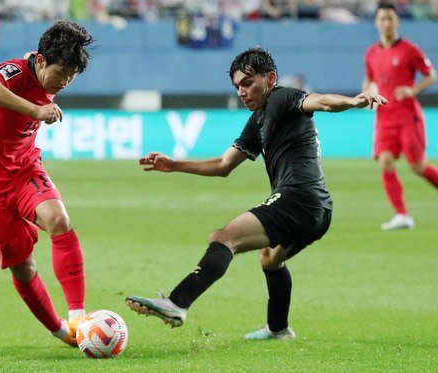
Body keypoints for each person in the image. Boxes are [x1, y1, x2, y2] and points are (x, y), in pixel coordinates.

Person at [126, 47, 387, 340]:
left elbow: (322, 102)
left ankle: (176, 302)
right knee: (270, 258)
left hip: (298, 198)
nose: (242, 91)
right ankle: (278, 329)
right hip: (319, 210)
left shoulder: (282, 97)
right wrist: (173, 165)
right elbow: (223, 165)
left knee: (224, 238)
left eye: (248, 82)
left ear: (270, 78)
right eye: (238, 86)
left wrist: (352, 101)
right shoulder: (258, 120)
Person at [0, 21, 94, 347]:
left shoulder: (47, 73)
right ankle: (61, 330)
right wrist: (35, 110)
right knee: (23, 266)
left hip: (23, 168)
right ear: (42, 61)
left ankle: (78, 315)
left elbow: (46, 77)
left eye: (72, 76)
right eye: (62, 72)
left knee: (59, 219)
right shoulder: (18, 70)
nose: (64, 82)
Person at [363, 1, 438, 231]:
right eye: (382, 18)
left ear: (397, 21)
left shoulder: (410, 50)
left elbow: (431, 75)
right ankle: (402, 215)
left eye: (390, 18)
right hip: (384, 117)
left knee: (417, 166)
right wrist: (368, 95)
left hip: (407, 116)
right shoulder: (372, 53)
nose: (386, 23)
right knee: (385, 162)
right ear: (376, 22)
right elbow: (368, 80)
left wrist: (412, 90)